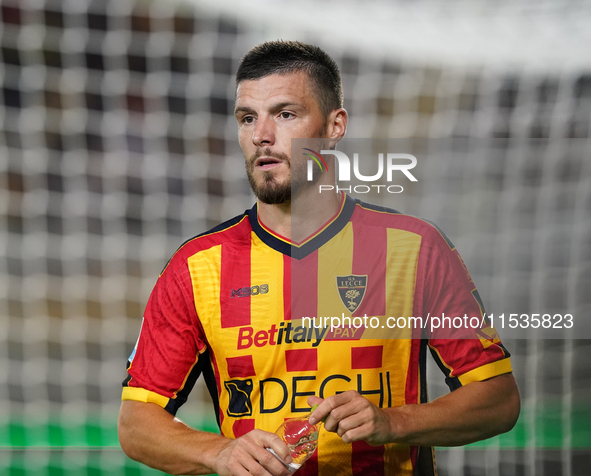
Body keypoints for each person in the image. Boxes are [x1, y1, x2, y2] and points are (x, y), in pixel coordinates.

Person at [118, 40, 520, 476]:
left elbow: (498, 399)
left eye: (286, 114)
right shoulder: (198, 266)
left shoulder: (413, 248)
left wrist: (393, 421)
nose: (261, 136)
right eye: (247, 118)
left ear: (334, 125)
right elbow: (137, 423)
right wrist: (219, 453)